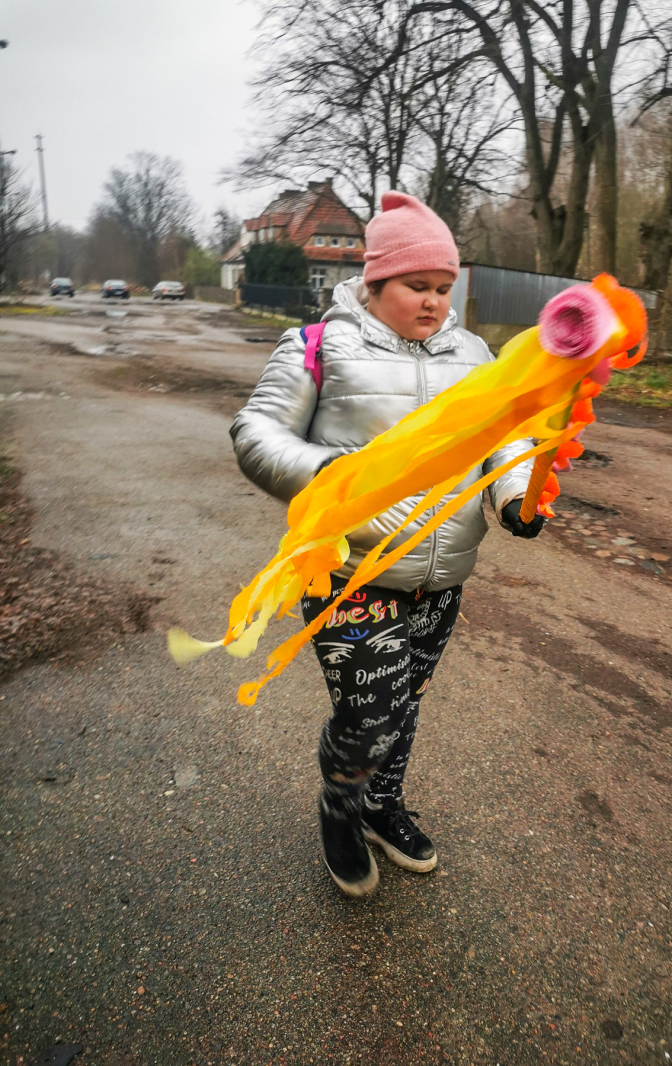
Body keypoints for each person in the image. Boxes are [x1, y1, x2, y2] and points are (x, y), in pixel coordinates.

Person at [231, 192, 544, 898]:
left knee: (405, 705)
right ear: (374, 283)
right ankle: (340, 809)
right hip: (348, 577)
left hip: (441, 580)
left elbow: (502, 441)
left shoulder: (475, 356)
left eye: (443, 288)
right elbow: (254, 435)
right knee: (369, 715)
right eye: (416, 287)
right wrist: (333, 477)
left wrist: (515, 495)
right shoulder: (319, 347)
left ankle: (380, 806)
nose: (435, 302)